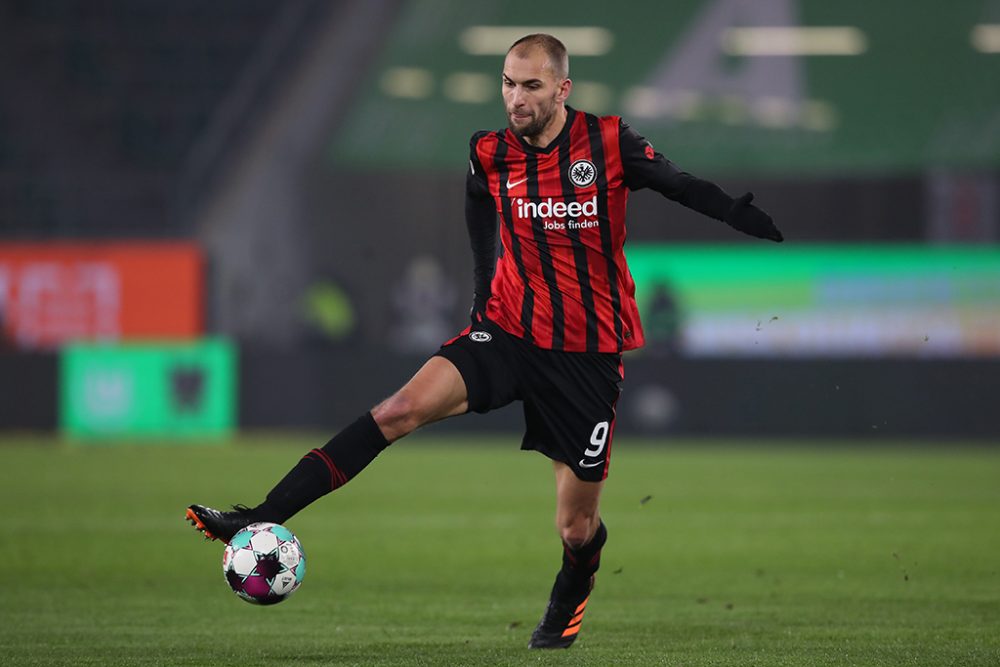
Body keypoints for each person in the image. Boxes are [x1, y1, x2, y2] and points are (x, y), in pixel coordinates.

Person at [186, 33, 782, 649]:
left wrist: (738, 213)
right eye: (507, 83)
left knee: (576, 528)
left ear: (561, 88)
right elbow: (477, 205)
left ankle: (570, 596)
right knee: (398, 410)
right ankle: (259, 518)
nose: (515, 98)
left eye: (530, 86)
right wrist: (480, 290)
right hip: (507, 331)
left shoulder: (608, 142)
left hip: (586, 357)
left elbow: (679, 184)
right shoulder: (489, 152)